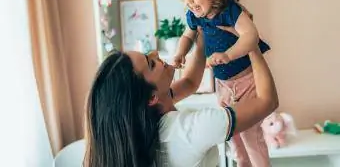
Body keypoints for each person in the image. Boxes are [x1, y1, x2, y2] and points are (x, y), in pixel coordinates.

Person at [83, 30, 278, 167]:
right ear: (151, 98)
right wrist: (250, 43)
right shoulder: (195, 128)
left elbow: (189, 82)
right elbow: (267, 102)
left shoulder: (147, 118)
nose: (155, 53)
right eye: (151, 63)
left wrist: (201, 37)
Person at [174, 0, 271, 166]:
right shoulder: (196, 17)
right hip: (223, 86)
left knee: (251, 135)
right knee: (231, 134)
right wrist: (180, 52)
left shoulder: (231, 12)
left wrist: (229, 55)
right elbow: (187, 36)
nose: (189, 0)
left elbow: (250, 36)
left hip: (246, 82)